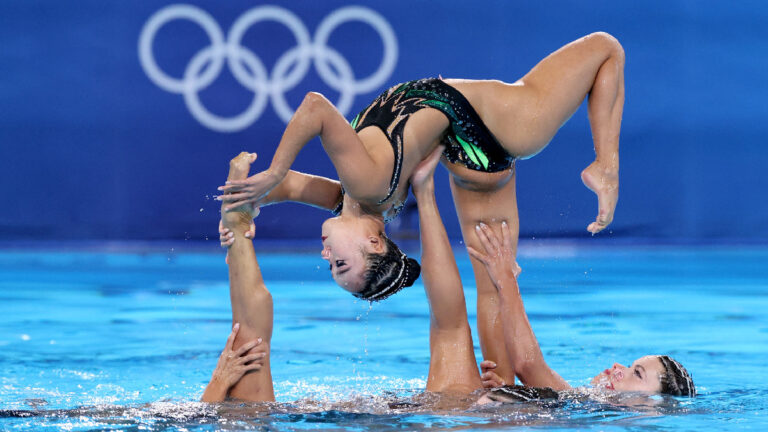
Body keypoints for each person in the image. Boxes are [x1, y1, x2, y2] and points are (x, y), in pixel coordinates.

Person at [218, 31, 625, 386]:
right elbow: (315, 107)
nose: (325, 255)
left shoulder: (349, 197)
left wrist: (239, 215)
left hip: (469, 155)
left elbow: (287, 189)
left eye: (331, 265)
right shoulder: (365, 185)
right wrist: (274, 170)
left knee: (491, 284)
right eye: (339, 264)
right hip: (498, 122)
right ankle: (605, 168)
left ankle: (500, 385)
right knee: (607, 49)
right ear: (375, 242)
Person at [467, 221, 696, 402]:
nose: (617, 367)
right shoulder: (581, 403)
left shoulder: (585, 409)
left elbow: (527, 365)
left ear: (652, 407)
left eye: (637, 373)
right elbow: (533, 372)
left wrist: (506, 279)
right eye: (629, 365)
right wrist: (513, 393)